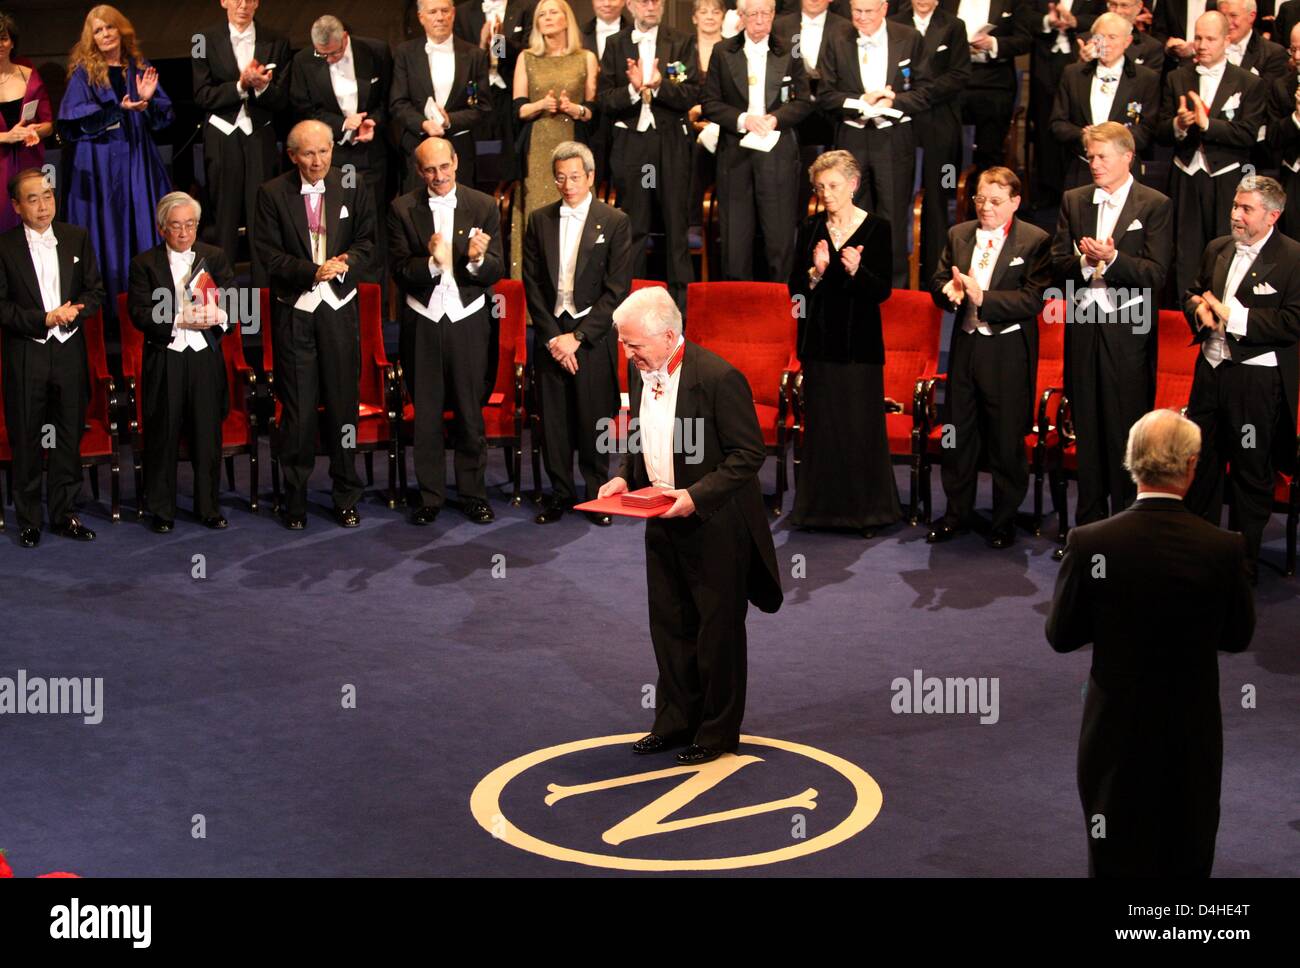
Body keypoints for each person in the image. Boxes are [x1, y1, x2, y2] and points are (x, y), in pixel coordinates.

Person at [1046, 408, 1255, 877]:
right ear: (1191, 466)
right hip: (1192, 730)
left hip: (1114, 733)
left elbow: (1062, 637)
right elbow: (1239, 638)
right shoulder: (1224, 547)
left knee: (1114, 853)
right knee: (1187, 850)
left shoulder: (1089, 542)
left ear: (1131, 462)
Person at [597, 286, 783, 765]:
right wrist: (622, 477)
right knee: (670, 625)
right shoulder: (643, 371)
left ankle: (717, 732)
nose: (628, 352)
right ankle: (675, 720)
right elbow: (642, 436)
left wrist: (695, 497)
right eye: (624, 344)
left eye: (634, 344)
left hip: (716, 524)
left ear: (668, 334)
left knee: (716, 631)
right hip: (660, 517)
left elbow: (749, 455)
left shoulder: (720, 377)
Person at [1050, 122, 1171, 558]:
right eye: (1090, 157)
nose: (1094, 164)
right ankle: (1087, 530)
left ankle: (1125, 529)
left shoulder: (1154, 204)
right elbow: (1057, 265)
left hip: (1128, 333)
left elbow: (1156, 275)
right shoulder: (1074, 200)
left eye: (1102, 157)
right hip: (1083, 328)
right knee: (1087, 427)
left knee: (1124, 429)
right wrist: (1085, 260)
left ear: (1127, 157)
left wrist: (1114, 259)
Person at [254, 120, 376, 530]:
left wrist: (343, 267)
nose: (318, 160)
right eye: (308, 153)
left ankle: (346, 495)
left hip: (340, 308)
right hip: (295, 311)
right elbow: (268, 257)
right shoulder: (271, 194)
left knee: (343, 406)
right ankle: (295, 498)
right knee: (299, 413)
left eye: (324, 151)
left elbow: (367, 244)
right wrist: (312, 270)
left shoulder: (353, 183)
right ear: (292, 156)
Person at [926, 166, 1052, 548]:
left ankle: (1002, 520)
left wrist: (984, 298)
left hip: (1007, 350)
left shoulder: (1035, 241)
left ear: (1014, 202)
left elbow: (1033, 299)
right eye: (980, 199)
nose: (986, 208)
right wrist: (948, 291)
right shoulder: (958, 235)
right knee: (957, 434)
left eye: (995, 201)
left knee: (1005, 438)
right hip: (966, 346)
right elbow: (935, 283)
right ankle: (956, 514)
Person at [1183, 175, 1300, 581]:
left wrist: (1236, 317)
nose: (1235, 214)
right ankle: (1201, 553)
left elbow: (1293, 322)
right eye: (1235, 205)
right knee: (1201, 465)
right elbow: (1193, 292)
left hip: (1255, 384)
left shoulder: (1293, 258)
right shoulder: (1217, 248)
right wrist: (1198, 309)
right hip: (1210, 373)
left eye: (1245, 209)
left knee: (1251, 469)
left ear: (1273, 215)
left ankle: (1243, 561)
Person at [389, 138, 504, 525]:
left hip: (468, 319)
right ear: (419, 172)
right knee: (427, 415)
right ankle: (430, 496)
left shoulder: (484, 205)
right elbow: (401, 272)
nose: (439, 176)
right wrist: (434, 265)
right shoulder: (402, 209)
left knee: (471, 414)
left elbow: (495, 271)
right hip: (422, 321)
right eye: (430, 170)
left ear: (456, 161)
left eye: (444, 166)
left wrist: (476, 260)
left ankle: (473, 494)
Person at [787, 150, 901, 533]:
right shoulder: (809, 228)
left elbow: (882, 291)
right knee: (823, 429)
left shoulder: (878, 229)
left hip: (860, 350)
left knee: (858, 429)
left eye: (833, 186)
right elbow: (795, 294)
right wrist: (815, 274)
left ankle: (866, 513)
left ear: (853, 185)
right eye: (820, 187)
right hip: (819, 346)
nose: (826, 194)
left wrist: (856, 270)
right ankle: (818, 512)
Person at [523, 141, 632, 524]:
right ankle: (559, 494)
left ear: (590, 177)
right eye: (560, 177)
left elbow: (617, 290)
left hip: (591, 335)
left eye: (575, 177)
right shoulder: (538, 220)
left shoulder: (615, 221)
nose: (567, 184)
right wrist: (554, 337)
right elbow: (532, 284)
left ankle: (597, 494)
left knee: (593, 418)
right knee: (553, 421)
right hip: (551, 335)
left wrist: (580, 336)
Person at [0, 168, 104, 548]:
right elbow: (1, 307)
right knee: (27, 437)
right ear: (16, 206)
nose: (43, 206)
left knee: (66, 435)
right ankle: (29, 519)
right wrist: (43, 319)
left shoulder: (77, 237)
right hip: (26, 352)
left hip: (68, 352)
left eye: (47, 196)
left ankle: (64, 514)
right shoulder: (4, 246)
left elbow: (96, 292)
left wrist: (76, 310)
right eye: (33, 199)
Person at [126, 191, 236, 533]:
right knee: (163, 435)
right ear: (162, 229)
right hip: (165, 358)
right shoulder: (144, 264)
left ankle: (208, 507)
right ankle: (161, 509)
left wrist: (219, 314)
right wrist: (177, 319)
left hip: (204, 357)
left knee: (207, 434)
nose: (184, 233)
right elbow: (139, 313)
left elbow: (235, 304)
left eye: (190, 225)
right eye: (176, 226)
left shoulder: (214, 257)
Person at [58, 5, 173, 319]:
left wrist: (147, 102)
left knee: (144, 229)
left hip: (137, 162)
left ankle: (149, 311)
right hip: (100, 167)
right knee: (107, 234)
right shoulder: (84, 72)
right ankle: (109, 316)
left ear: (121, 30)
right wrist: (118, 110)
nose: (105, 34)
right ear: (91, 38)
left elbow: (164, 120)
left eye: (110, 27)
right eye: (98, 30)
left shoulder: (138, 66)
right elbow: (71, 125)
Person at [818, 0, 930, 288]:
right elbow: (825, 95)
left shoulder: (909, 37)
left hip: (893, 138)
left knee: (892, 215)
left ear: (884, 8)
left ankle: (892, 288)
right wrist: (859, 102)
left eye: (869, 11)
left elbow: (926, 90)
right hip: (852, 137)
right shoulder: (836, 38)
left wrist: (894, 100)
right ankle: (850, 283)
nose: (862, 18)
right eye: (857, 11)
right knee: (849, 212)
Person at [702, 0, 813, 281]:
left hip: (777, 152)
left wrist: (775, 118)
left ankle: (780, 305)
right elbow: (710, 104)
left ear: (774, 14)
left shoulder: (789, 50)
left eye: (766, 13)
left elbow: (803, 101)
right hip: (735, 154)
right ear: (741, 17)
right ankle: (737, 308)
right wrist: (743, 119)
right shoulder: (722, 51)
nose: (761, 20)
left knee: (779, 239)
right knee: (735, 241)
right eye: (754, 14)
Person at [1158, 10, 1265, 299]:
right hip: (1185, 174)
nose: (1202, 45)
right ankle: (1184, 315)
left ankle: (1222, 308)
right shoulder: (1177, 78)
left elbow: (1247, 134)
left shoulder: (1247, 82)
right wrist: (1178, 126)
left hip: (1227, 178)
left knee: (1225, 247)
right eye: (1198, 38)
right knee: (1184, 249)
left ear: (1227, 39)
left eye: (1210, 38)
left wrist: (1208, 125)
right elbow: (1160, 131)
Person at [597, 0, 698, 301]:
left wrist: (659, 85)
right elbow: (604, 99)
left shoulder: (681, 41)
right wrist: (633, 90)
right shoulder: (616, 44)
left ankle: (682, 309)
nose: (651, 6)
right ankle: (635, 303)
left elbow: (691, 93)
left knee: (676, 228)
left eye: (656, 0)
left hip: (671, 144)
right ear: (630, 5)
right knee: (635, 227)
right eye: (643, 0)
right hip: (634, 146)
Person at [192, 0, 290, 287]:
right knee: (224, 221)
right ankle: (223, 305)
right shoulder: (202, 40)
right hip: (222, 137)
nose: (243, 5)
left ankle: (263, 302)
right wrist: (240, 86)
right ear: (224, 1)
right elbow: (201, 95)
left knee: (263, 220)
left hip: (260, 134)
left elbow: (282, 99)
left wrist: (261, 86)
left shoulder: (278, 40)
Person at [290, 16, 393, 286]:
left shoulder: (376, 51)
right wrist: (341, 125)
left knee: (372, 226)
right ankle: (333, 289)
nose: (329, 59)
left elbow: (388, 100)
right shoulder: (303, 61)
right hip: (330, 158)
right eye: (322, 54)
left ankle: (374, 296)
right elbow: (302, 108)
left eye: (334, 53)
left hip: (371, 155)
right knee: (336, 224)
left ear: (345, 37)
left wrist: (373, 122)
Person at [510, 0, 598, 278]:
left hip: (573, 142)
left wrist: (576, 109)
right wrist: (540, 106)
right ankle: (535, 299)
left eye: (553, 13)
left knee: (575, 215)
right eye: (542, 15)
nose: (547, 18)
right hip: (538, 147)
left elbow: (596, 109)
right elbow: (518, 109)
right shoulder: (526, 57)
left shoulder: (586, 58)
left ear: (566, 19)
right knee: (541, 218)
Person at [892, 0, 970, 286]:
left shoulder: (953, 26)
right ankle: (898, 268)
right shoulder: (894, 20)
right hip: (900, 119)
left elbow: (960, 74)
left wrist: (924, 93)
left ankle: (934, 273)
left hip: (939, 120)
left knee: (939, 195)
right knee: (897, 195)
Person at [1049, 12, 1160, 191]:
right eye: (1099, 37)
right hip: (1082, 169)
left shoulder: (1146, 78)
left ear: (1127, 41)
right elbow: (1057, 124)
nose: (1105, 43)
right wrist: (1083, 135)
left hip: (1124, 172)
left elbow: (1148, 129)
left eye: (1112, 37)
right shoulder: (1073, 74)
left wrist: (1112, 142)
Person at [390, 0, 491, 191]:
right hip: (418, 148)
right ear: (421, 17)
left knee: (460, 212)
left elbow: (483, 108)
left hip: (459, 149)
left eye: (445, 11)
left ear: (453, 14)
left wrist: (449, 121)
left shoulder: (474, 55)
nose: (440, 17)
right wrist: (423, 124)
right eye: (433, 12)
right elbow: (398, 103)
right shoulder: (405, 53)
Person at [1030, 0, 1101, 208]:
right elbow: (1024, 15)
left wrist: (1075, 21)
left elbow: (1102, 15)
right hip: (1045, 63)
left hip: (1082, 58)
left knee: (1076, 121)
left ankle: (1076, 186)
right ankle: (1048, 188)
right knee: (1047, 126)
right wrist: (1047, 21)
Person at [0, 13, 53, 235]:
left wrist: (37, 131)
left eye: (3, 38)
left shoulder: (29, 75)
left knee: (32, 222)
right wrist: (5, 137)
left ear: (12, 41)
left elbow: (48, 123)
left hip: (28, 161)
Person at [580, 0, 633, 185]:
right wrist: (498, 45)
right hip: (589, 124)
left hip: (627, 119)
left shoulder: (639, 32)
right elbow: (502, 59)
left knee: (634, 183)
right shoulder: (577, 34)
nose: (608, 3)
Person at [1267, 22, 1300, 236]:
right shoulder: (1281, 86)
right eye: (1294, 49)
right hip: (1294, 181)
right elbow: (1272, 139)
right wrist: (1296, 117)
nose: (1297, 56)